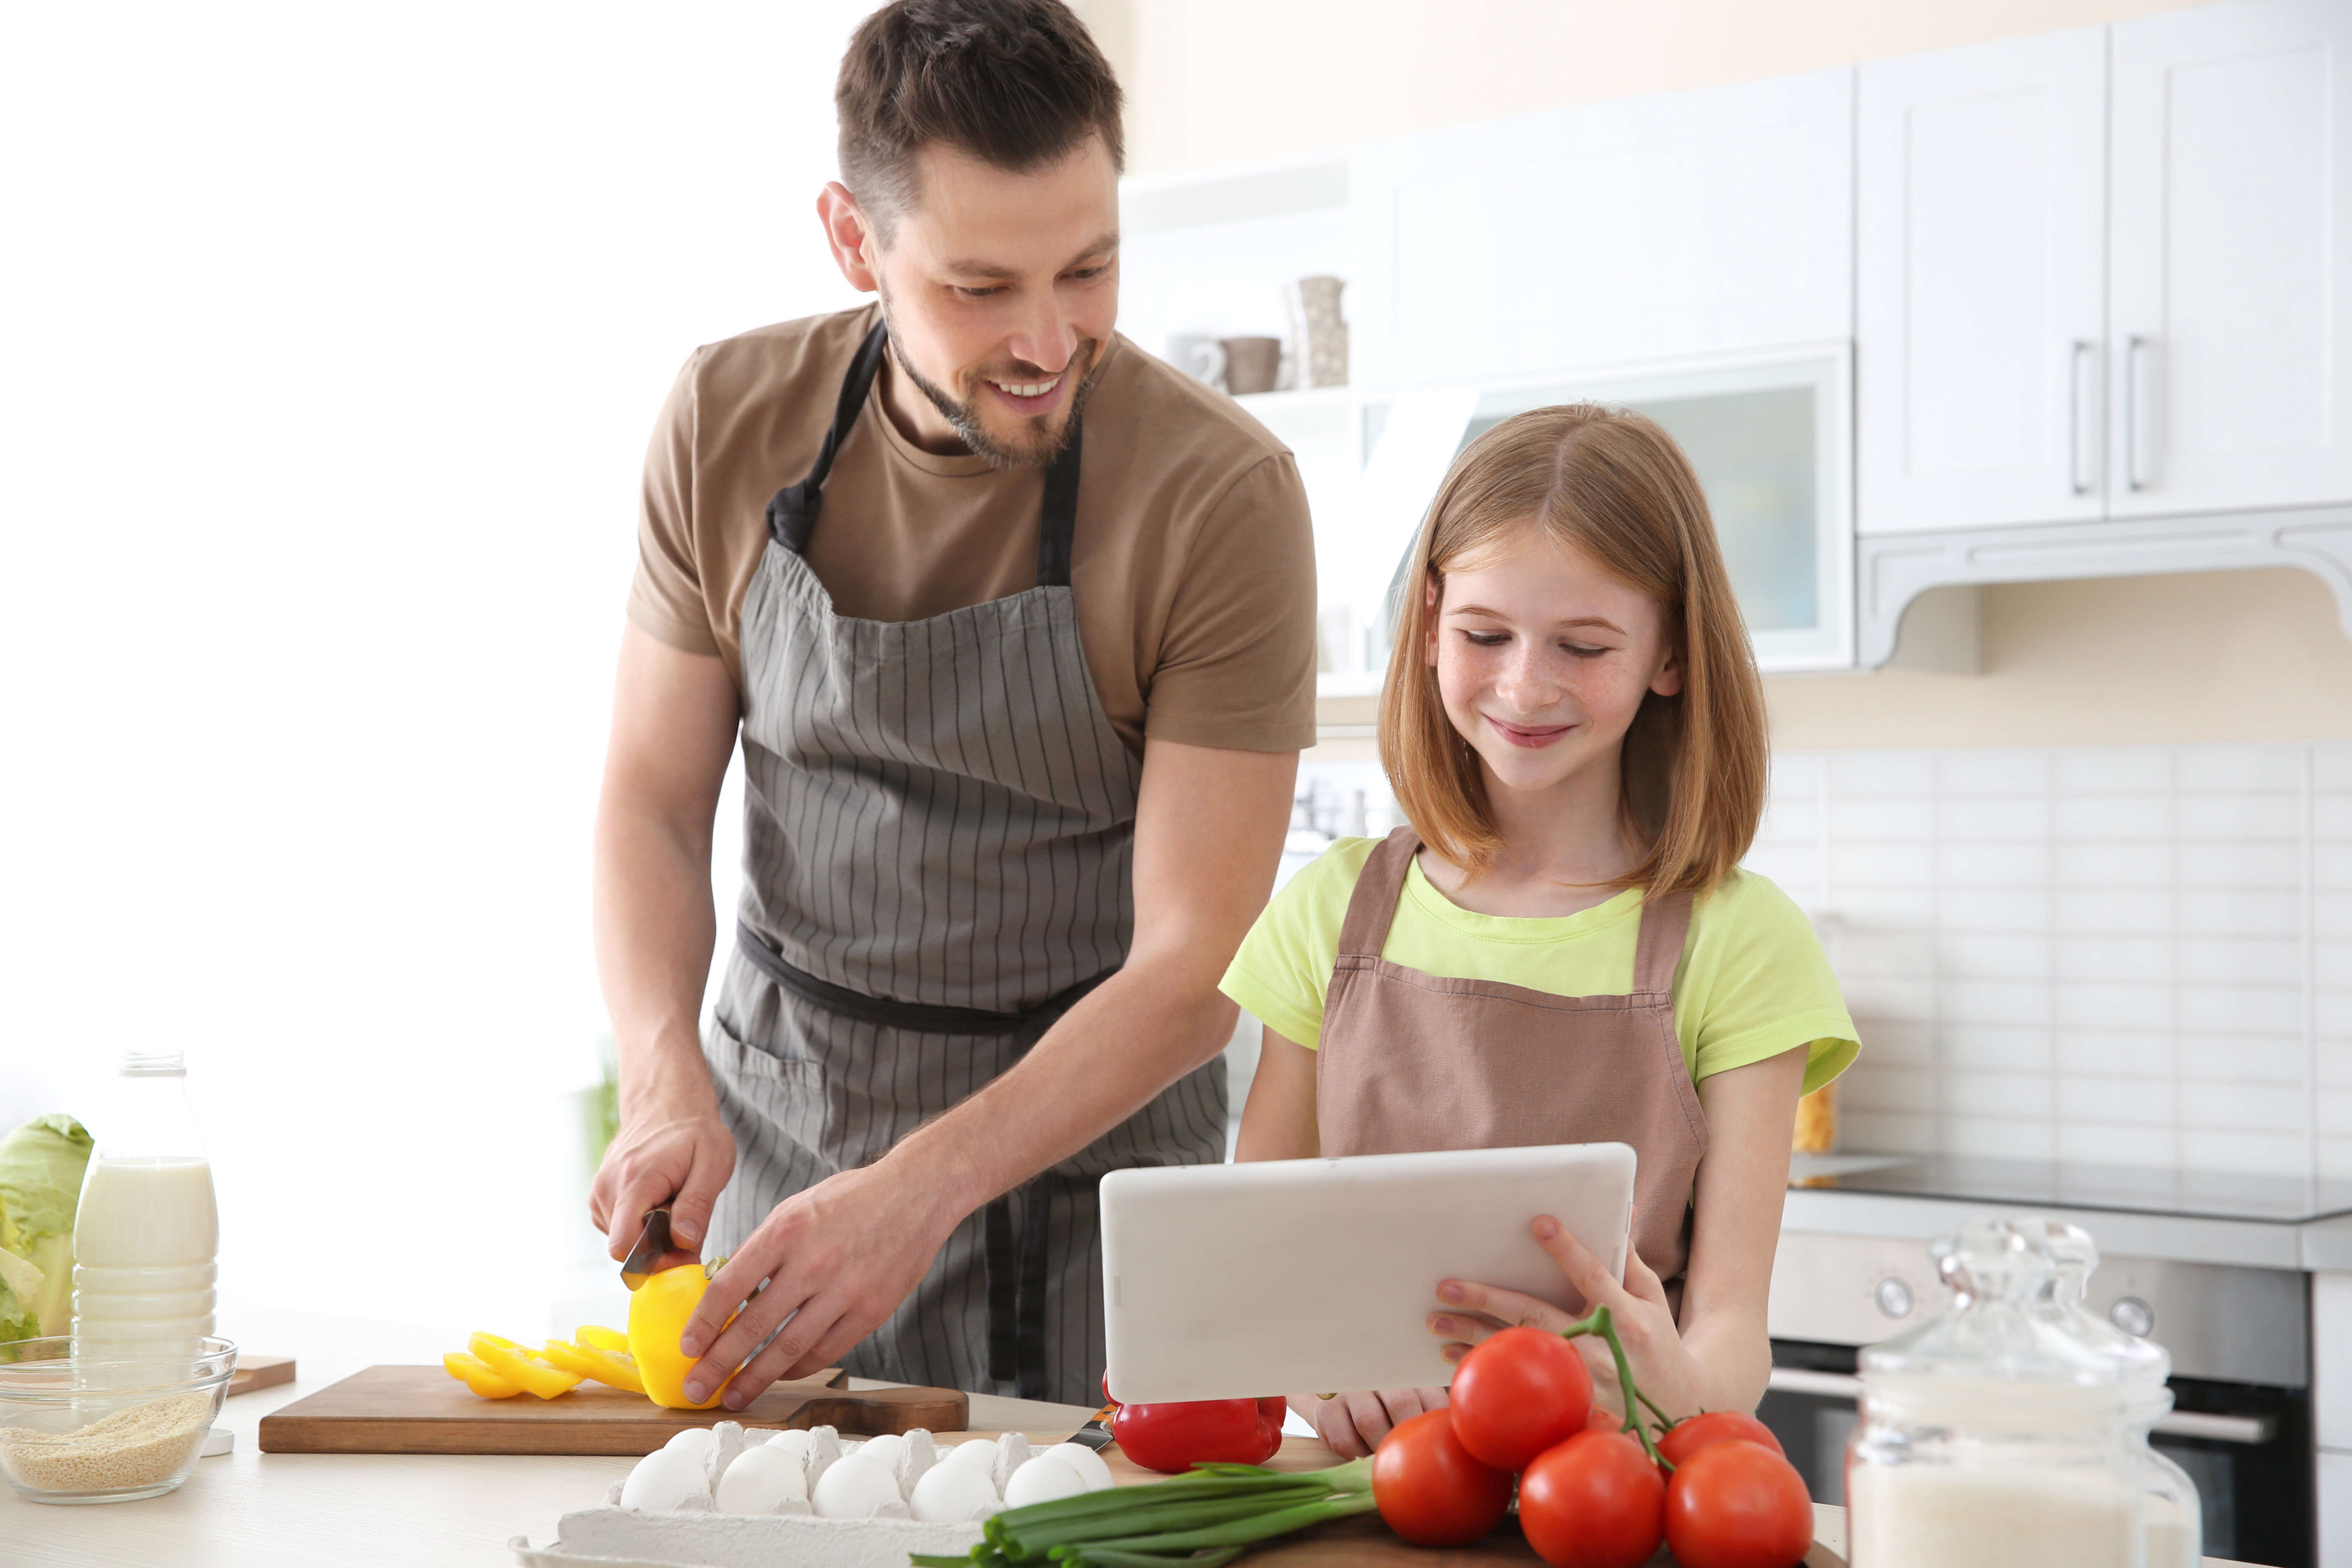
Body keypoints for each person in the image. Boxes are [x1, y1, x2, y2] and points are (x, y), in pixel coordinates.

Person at [588, 0, 1314, 1410]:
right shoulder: (725, 418)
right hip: (783, 1149)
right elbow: (651, 803)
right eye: (980, 288)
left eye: (1090, 268)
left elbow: (1192, 971)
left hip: (1094, 1181)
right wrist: (663, 1077)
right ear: (854, 242)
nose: (1049, 338)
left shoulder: (1219, 497)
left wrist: (923, 1186)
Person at [1221, 405, 1859, 1457]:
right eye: (1486, 635)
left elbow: (1732, 1327)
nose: (1525, 684)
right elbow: (1259, 1250)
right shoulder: (1331, 910)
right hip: (1374, 1487)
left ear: (1670, 655)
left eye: (1584, 645)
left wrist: (1677, 1387)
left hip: (1607, 1484)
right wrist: (1318, 1377)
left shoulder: (1742, 941)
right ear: (1432, 624)